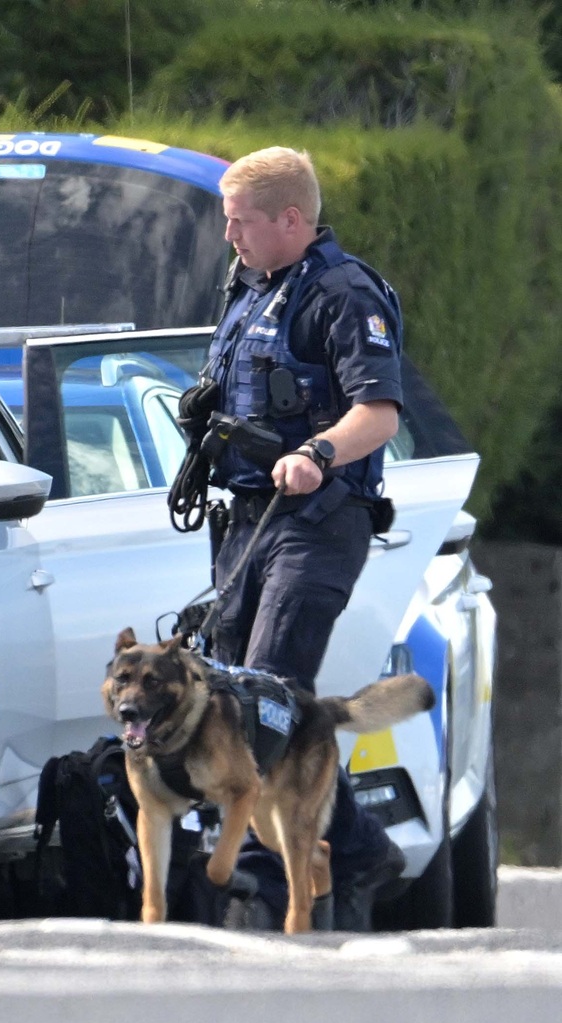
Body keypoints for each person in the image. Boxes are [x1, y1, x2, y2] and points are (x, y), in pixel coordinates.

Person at [181, 147, 407, 931]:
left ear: (290, 220)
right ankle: (358, 845)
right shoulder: (252, 292)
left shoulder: (344, 294)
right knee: (240, 692)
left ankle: (256, 881)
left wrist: (317, 453)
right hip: (248, 521)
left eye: (239, 222)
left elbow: (378, 411)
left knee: (267, 694)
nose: (229, 236)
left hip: (319, 520)